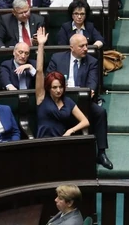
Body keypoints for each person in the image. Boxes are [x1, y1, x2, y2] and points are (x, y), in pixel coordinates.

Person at [47, 32, 112, 169]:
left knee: (100, 112)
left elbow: (92, 81)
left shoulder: (92, 61)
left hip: (82, 101)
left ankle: (101, 153)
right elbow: (49, 78)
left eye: (86, 45)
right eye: (81, 46)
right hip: (60, 99)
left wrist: (90, 90)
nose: (86, 49)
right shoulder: (57, 58)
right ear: (72, 47)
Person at [34, 27, 89, 139]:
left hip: (61, 141)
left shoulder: (68, 102)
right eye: (54, 87)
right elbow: (39, 70)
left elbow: (85, 121)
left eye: (61, 87)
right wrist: (41, 45)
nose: (58, 90)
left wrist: (71, 130)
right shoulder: (41, 97)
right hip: (43, 142)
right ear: (49, 88)